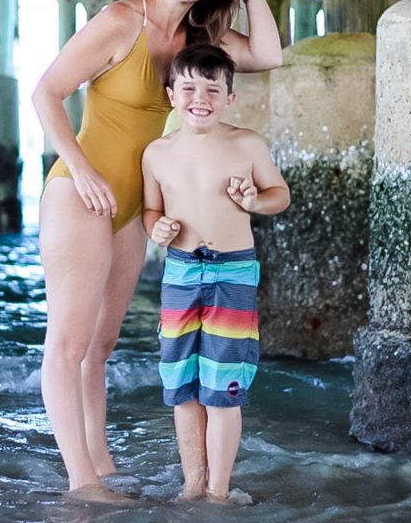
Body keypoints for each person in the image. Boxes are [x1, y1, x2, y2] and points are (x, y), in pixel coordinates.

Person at [31, 0, 282, 499]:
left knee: (101, 347)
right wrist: (83, 171)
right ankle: (81, 482)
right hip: (80, 191)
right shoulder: (121, 20)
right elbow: (47, 93)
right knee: (68, 344)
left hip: (134, 204)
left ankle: (102, 464)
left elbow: (269, 54)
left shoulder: (201, 39)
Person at [141, 43, 290, 503]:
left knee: (223, 387)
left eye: (212, 89)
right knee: (181, 386)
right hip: (181, 273)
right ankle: (193, 484)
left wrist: (254, 200)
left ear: (230, 98)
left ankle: (219, 492)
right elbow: (150, 209)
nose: (199, 98)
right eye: (188, 88)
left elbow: (280, 194)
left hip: (232, 272)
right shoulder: (156, 153)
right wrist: (156, 228)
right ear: (171, 95)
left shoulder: (246, 144)